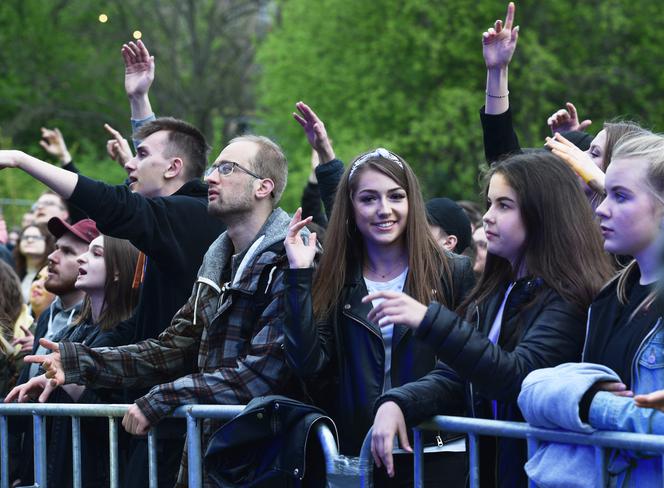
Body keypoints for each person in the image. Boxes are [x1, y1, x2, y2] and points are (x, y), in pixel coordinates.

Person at [19, 134, 304, 487]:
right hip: (217, 459)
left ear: (263, 187)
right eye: (214, 167)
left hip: (268, 464)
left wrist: (164, 397)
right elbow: (170, 347)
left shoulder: (292, 260)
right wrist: (78, 362)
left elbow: (259, 375)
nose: (211, 177)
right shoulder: (216, 265)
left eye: (227, 168)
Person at [368, 152, 614, 486]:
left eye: (504, 205)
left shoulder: (570, 297)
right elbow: (457, 377)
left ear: (543, 214)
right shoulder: (497, 290)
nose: (487, 218)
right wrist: (398, 402)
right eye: (489, 204)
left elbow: (517, 379)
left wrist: (430, 321)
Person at [283, 143, 475, 485]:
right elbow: (307, 365)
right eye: (369, 198)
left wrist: (401, 404)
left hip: (434, 452)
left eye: (395, 196)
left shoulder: (455, 272)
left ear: (411, 202)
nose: (384, 209)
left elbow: (465, 368)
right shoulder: (336, 275)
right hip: (356, 455)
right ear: (351, 208)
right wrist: (299, 276)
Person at [519, 132, 664, 487]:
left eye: (620, 196)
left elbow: (656, 424)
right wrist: (579, 397)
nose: (601, 207)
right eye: (606, 191)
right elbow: (529, 393)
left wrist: (584, 405)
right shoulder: (609, 296)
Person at [6, 233, 139, 487]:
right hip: (51, 473)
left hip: (94, 476)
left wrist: (71, 379)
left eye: (95, 254)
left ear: (118, 271)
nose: (82, 258)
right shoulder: (68, 332)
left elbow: (121, 429)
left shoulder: (130, 335)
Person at [12, 224, 55, 302]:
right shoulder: (14, 272)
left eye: (36, 237)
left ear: (47, 242)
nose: (30, 240)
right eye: (25, 237)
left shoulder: (51, 274)